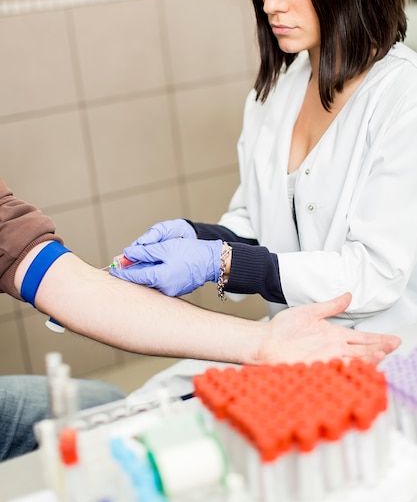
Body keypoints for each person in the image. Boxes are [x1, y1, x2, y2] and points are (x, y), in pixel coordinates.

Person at [109, 0, 417, 334]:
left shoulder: (402, 98)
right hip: (295, 350)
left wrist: (226, 262)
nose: (272, 3)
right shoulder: (274, 94)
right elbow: (260, 220)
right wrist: (202, 239)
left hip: (388, 362)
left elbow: (373, 273)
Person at [0, 175, 400, 460]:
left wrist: (208, 243)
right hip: (309, 325)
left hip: (378, 327)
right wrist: (226, 264)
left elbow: (63, 282)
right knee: (108, 426)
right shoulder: (277, 90)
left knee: (104, 403)